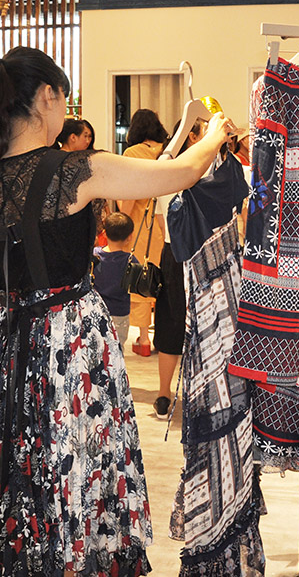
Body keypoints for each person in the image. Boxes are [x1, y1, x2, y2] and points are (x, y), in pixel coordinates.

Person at [0, 46, 233, 577]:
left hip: (15, 346)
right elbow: (178, 174)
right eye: (63, 99)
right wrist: (216, 133)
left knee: (32, 466)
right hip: (72, 340)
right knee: (85, 463)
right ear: (46, 96)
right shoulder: (76, 169)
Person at [152, 118, 208, 419]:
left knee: (173, 322)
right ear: (192, 137)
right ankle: (189, 395)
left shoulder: (165, 169)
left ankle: (164, 394)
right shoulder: (199, 169)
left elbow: (161, 221)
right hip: (196, 254)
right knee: (197, 324)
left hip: (173, 252)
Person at [117, 109, 170, 357]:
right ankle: (161, 335)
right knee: (162, 279)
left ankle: (143, 339)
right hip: (163, 224)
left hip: (140, 226)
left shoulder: (132, 154)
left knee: (140, 278)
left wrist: (121, 211)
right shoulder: (166, 152)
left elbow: (128, 198)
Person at [92, 212, 138, 348]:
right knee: (117, 348)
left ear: (105, 233)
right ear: (129, 237)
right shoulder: (130, 260)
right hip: (120, 312)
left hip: (96, 309)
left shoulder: (95, 255)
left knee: (97, 348)